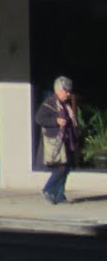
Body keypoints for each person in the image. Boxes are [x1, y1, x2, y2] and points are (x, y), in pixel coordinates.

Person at [34, 75, 81, 204]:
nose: (68, 93)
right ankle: (48, 189)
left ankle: (59, 195)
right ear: (58, 90)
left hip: (66, 141)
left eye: (69, 91)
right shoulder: (49, 103)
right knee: (61, 168)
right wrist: (56, 121)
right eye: (66, 91)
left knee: (66, 168)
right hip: (55, 142)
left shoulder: (65, 105)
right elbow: (39, 118)